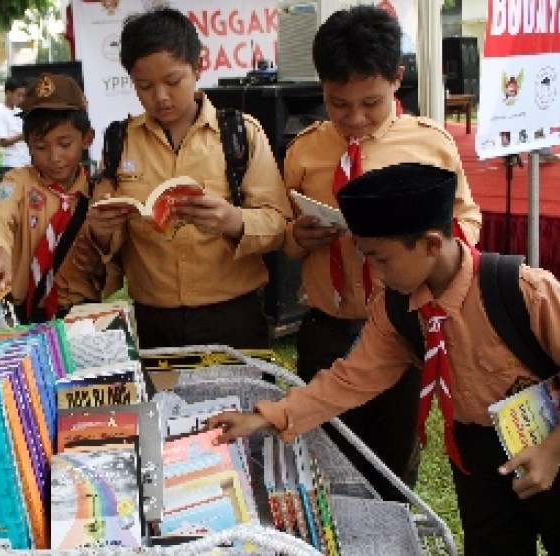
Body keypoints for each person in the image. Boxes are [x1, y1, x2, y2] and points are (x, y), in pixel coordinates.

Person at [210, 162, 560, 556]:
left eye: (381, 259)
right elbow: (351, 378)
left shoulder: (524, 291)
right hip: (478, 458)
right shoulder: (397, 310)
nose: (374, 272)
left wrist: (551, 451)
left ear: (430, 243)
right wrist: (268, 416)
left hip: (551, 440)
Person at [281, 4, 483, 500]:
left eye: (370, 102)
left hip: (401, 329)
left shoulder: (430, 144)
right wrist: (297, 237)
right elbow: (284, 233)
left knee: (392, 470)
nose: (354, 118)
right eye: (338, 103)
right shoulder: (304, 150)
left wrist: (434, 251)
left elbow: (467, 219)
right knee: (324, 465)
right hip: (327, 329)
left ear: (397, 79)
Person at [86, 7, 291, 350]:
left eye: (172, 81)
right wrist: (102, 232)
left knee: (238, 403)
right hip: (153, 319)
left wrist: (233, 220)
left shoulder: (240, 134)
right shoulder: (120, 141)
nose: (161, 97)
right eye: (145, 86)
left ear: (198, 67)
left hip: (232, 316)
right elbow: (108, 236)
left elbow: (280, 224)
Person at [0, 74, 105, 324]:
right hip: (28, 314)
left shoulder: (98, 194)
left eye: (65, 144)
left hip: (80, 315)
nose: (55, 157)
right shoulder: (15, 181)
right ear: (27, 144)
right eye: (41, 146)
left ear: (87, 139)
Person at [0, 77, 31, 174]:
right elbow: (3, 142)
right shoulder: (0, 113)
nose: (21, 99)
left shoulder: (19, 111)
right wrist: (22, 136)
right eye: (18, 95)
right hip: (11, 164)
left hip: (25, 162)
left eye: (23, 95)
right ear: (8, 93)